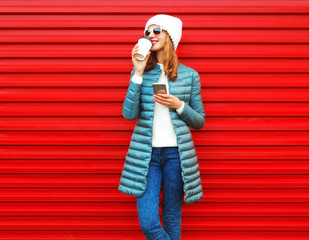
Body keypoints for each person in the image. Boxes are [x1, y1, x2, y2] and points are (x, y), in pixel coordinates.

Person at [118, 14, 205, 240]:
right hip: (147, 156)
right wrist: (137, 72)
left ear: (170, 35)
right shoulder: (140, 73)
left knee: (172, 218)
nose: (151, 36)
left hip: (177, 155)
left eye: (157, 31)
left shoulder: (190, 75)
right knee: (149, 223)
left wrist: (179, 105)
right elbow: (129, 115)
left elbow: (199, 121)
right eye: (148, 32)